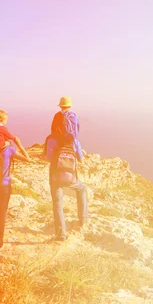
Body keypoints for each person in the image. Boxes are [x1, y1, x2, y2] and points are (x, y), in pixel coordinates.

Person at [48, 96, 88, 241]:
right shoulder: (74, 141)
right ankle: (83, 219)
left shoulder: (52, 139)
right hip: (71, 177)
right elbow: (81, 159)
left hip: (55, 176)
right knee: (81, 189)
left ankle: (61, 235)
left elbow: (48, 157)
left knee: (57, 203)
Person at [0, 143, 31, 256]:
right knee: (1, 214)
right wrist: (19, 143)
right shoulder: (9, 150)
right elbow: (28, 159)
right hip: (4, 186)